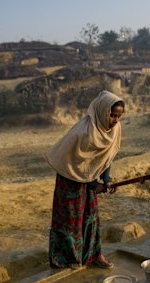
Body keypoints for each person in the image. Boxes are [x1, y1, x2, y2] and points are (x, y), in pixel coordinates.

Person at [44, 90, 125, 269]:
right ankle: (69, 258)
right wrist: (94, 184)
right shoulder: (84, 133)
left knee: (91, 217)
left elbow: (105, 157)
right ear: (102, 111)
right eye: (112, 115)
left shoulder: (114, 129)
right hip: (70, 177)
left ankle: (93, 255)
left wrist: (106, 179)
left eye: (118, 116)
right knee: (71, 220)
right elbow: (78, 163)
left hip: (88, 179)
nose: (115, 120)